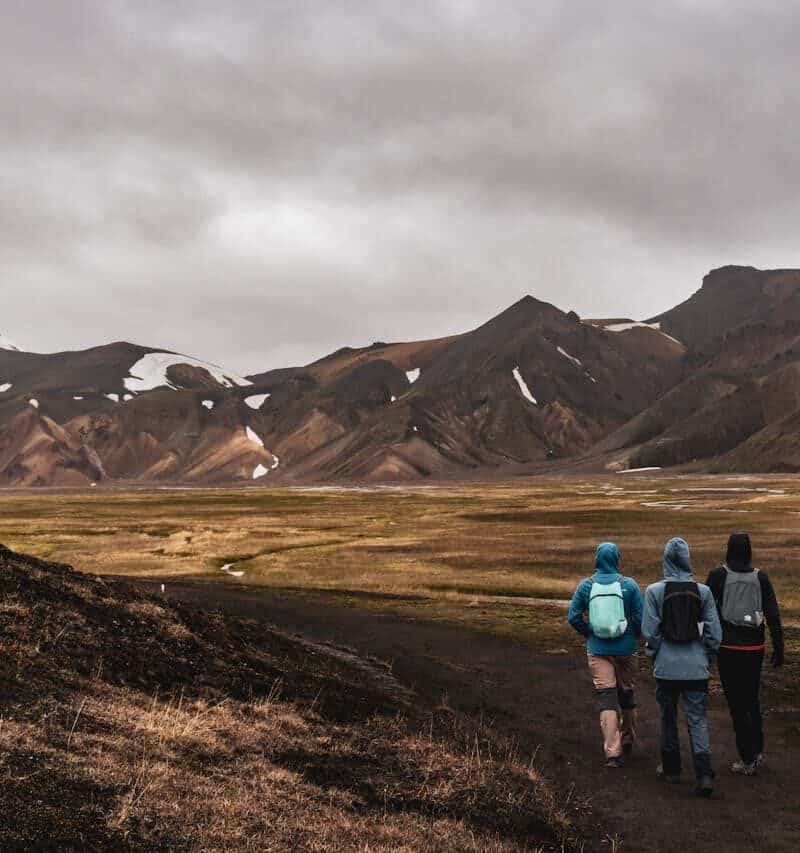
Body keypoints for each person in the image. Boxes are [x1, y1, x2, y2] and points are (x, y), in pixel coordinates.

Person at [642, 537, 721, 797]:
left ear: (665, 559)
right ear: (689, 559)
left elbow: (651, 632)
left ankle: (672, 769)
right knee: (697, 720)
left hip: (666, 667)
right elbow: (714, 634)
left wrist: (654, 655)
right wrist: (705, 655)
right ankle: (704, 773)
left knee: (667, 718)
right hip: (696, 667)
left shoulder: (654, 592)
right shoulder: (704, 592)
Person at [706, 533, 784, 776]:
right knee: (751, 699)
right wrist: (779, 646)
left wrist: (705, 646)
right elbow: (772, 613)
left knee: (736, 703)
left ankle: (747, 757)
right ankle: (757, 749)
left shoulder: (718, 576)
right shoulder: (761, 577)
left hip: (728, 648)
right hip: (754, 649)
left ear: (728, 549)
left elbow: (706, 611)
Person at [567, 542, 643, 768]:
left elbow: (573, 617)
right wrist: (632, 635)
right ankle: (628, 737)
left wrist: (590, 633)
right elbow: (640, 618)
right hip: (626, 649)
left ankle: (613, 752)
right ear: (617, 559)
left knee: (606, 697)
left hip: (598, 649)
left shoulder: (586, 586)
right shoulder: (629, 585)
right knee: (627, 694)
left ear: (597, 559)